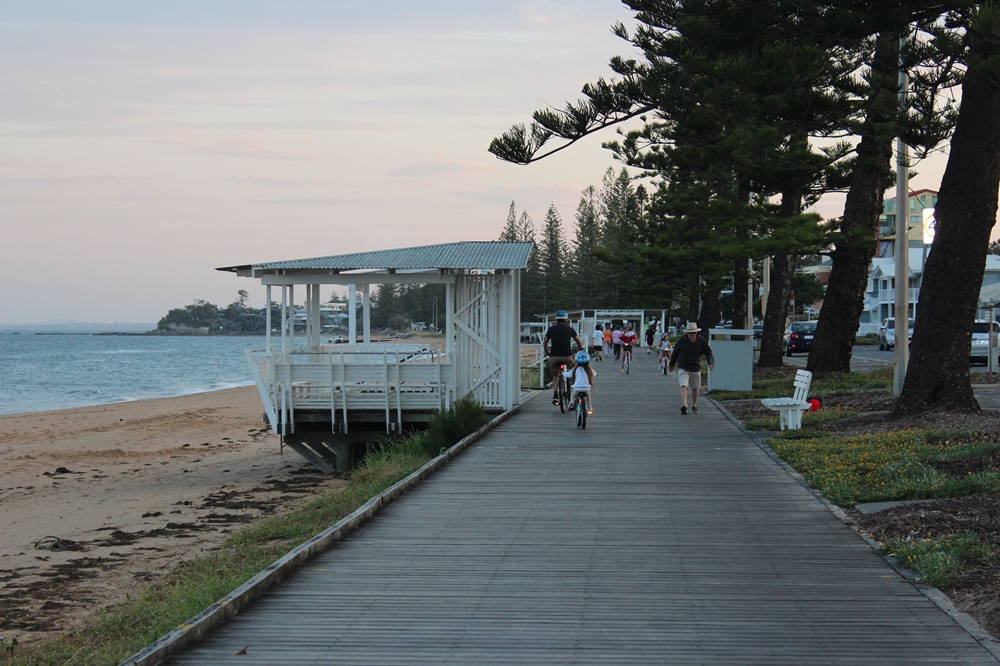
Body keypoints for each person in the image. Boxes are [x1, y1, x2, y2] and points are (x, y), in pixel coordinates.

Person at [668, 321, 715, 415]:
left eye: (693, 333)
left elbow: (708, 352)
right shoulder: (682, 340)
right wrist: (671, 364)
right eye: (690, 333)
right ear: (687, 333)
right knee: (683, 385)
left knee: (695, 387)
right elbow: (676, 352)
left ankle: (694, 405)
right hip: (683, 365)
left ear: (696, 332)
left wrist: (710, 363)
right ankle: (685, 405)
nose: (692, 335)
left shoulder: (701, 340)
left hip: (695, 366)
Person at [543, 311, 585, 405]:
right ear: (566, 320)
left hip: (554, 357)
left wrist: (547, 351)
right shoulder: (570, 329)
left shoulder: (551, 330)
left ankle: (555, 395)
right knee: (575, 368)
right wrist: (580, 349)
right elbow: (578, 342)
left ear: (556, 320)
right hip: (567, 356)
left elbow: (545, 342)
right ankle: (573, 384)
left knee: (555, 375)